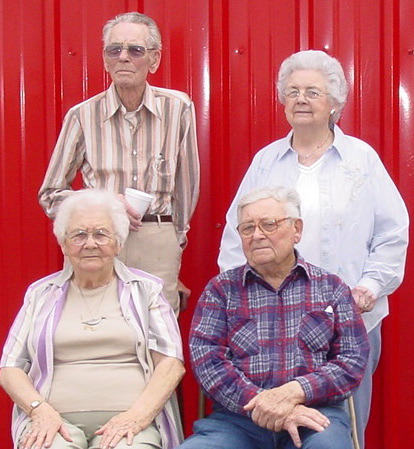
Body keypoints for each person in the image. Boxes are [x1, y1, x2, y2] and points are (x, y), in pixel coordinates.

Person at [218, 50, 409, 448]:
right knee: (269, 422)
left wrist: (371, 287)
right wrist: (238, 300)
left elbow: (392, 232)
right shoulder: (266, 162)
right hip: (271, 323)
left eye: (312, 92)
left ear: (334, 103)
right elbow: (238, 238)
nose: (301, 99)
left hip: (348, 321)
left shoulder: (362, 160)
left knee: (339, 430)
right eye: (292, 92)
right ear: (282, 101)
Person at [179, 187, 369, 449]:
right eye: (247, 228)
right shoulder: (221, 291)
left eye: (269, 224)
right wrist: (266, 405)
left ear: (297, 230)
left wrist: (295, 392)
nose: (257, 235)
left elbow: (352, 360)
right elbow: (208, 363)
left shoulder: (331, 287)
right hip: (237, 421)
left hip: (314, 416)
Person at [38, 12, 200, 315]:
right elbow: (50, 194)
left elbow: (187, 184)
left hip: (156, 238)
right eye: (115, 50)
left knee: (156, 333)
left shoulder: (178, 108)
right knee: (92, 323)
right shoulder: (82, 116)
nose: (124, 57)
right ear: (105, 59)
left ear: (154, 59)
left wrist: (173, 241)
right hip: (96, 240)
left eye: (135, 50)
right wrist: (105, 201)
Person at [0, 189, 185, 449]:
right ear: (63, 244)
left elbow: (170, 364)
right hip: (54, 422)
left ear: (119, 242)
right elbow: (10, 367)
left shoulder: (146, 290)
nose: (90, 243)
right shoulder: (40, 294)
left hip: (130, 424)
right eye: (78, 235)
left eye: (101, 234)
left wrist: (135, 418)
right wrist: (39, 410)